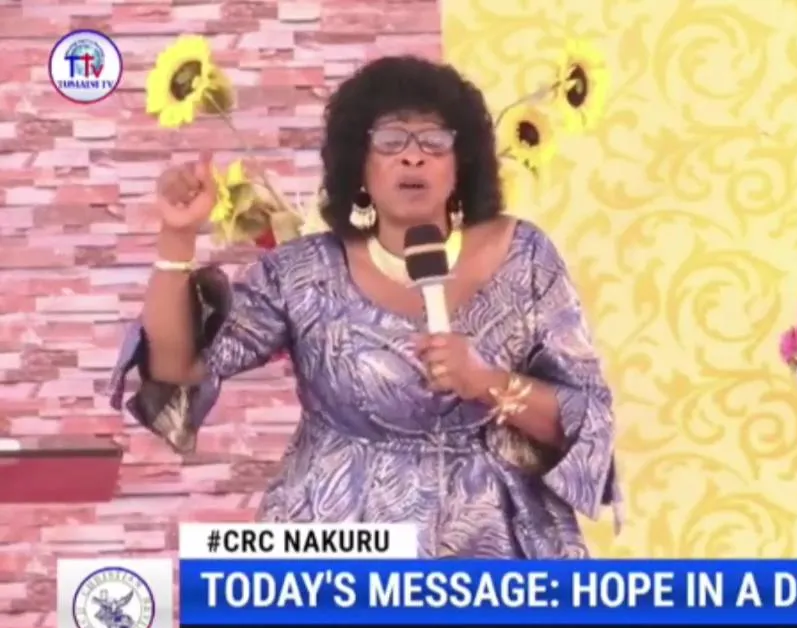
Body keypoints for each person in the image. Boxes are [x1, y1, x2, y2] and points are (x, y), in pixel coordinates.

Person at [108, 56, 620, 559]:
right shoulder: (303, 272)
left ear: (461, 162)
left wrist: (487, 382)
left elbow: (587, 418)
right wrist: (176, 237)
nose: (413, 157)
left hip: (499, 556)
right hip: (342, 552)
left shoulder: (525, 256)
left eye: (434, 141)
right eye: (391, 141)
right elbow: (177, 368)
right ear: (359, 163)